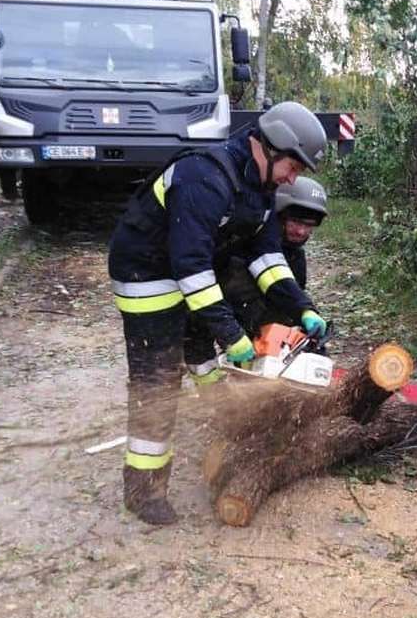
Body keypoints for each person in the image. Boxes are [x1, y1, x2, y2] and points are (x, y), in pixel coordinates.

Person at [107, 101, 330, 525]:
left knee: (196, 351)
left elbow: (268, 257)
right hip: (146, 272)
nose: (292, 178)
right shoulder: (203, 176)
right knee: (157, 378)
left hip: (189, 269)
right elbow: (191, 269)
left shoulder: (261, 192)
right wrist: (232, 336)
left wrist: (303, 308)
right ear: (269, 146)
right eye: (293, 167)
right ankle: (143, 489)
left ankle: (218, 413)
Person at [216, 176, 329, 339]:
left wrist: (305, 314)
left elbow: (288, 298)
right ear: (279, 216)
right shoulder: (245, 246)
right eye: (296, 222)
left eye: (308, 225)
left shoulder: (296, 257)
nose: (301, 231)